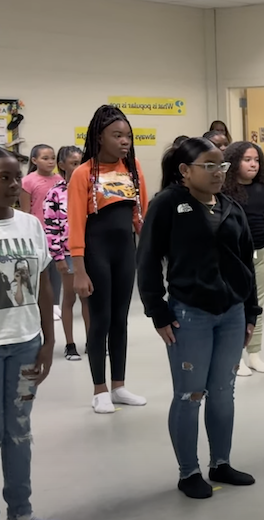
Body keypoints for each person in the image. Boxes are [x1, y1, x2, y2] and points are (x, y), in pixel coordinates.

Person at [137, 136, 259, 499]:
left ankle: (220, 462)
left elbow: (244, 263)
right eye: (209, 166)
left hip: (232, 313)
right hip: (189, 315)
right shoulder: (167, 205)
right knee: (190, 394)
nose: (218, 173)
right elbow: (146, 260)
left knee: (223, 392)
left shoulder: (230, 206)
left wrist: (250, 311)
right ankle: (188, 471)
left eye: (221, 166)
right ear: (185, 171)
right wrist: (157, 311)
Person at [70, 105, 148, 414]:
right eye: (117, 135)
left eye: (127, 136)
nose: (124, 141)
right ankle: (99, 388)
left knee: (121, 319)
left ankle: (119, 385)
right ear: (99, 137)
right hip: (95, 251)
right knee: (100, 320)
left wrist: (154, 249)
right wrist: (79, 270)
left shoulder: (133, 168)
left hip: (125, 251)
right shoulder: (83, 173)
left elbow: (140, 216)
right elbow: (75, 224)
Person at [0, 145, 56, 520]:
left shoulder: (29, 224)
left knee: (19, 434)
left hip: (24, 346)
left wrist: (48, 342)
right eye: (4, 177)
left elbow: (44, 285)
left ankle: (21, 510)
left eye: (17, 177)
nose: (15, 184)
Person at [222, 142, 264, 377]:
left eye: (256, 160)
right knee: (235, 306)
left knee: (257, 306)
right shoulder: (224, 190)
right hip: (233, 256)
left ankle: (254, 354)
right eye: (247, 159)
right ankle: (235, 355)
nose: (253, 164)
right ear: (234, 162)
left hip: (261, 252)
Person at [42, 145, 90, 361]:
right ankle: (70, 345)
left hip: (90, 253)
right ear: (62, 166)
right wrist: (58, 257)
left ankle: (92, 341)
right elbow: (51, 228)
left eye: (80, 163)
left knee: (89, 299)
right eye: (73, 163)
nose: (78, 167)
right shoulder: (55, 193)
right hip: (68, 254)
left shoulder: (90, 189)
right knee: (70, 299)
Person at [21, 144, 62, 321]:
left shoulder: (60, 179)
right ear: (34, 160)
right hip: (37, 232)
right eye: (45, 158)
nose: (50, 161)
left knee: (58, 269)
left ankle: (55, 305)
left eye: (52, 158)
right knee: (41, 270)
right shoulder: (28, 181)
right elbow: (24, 211)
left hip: (57, 232)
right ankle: (40, 303)